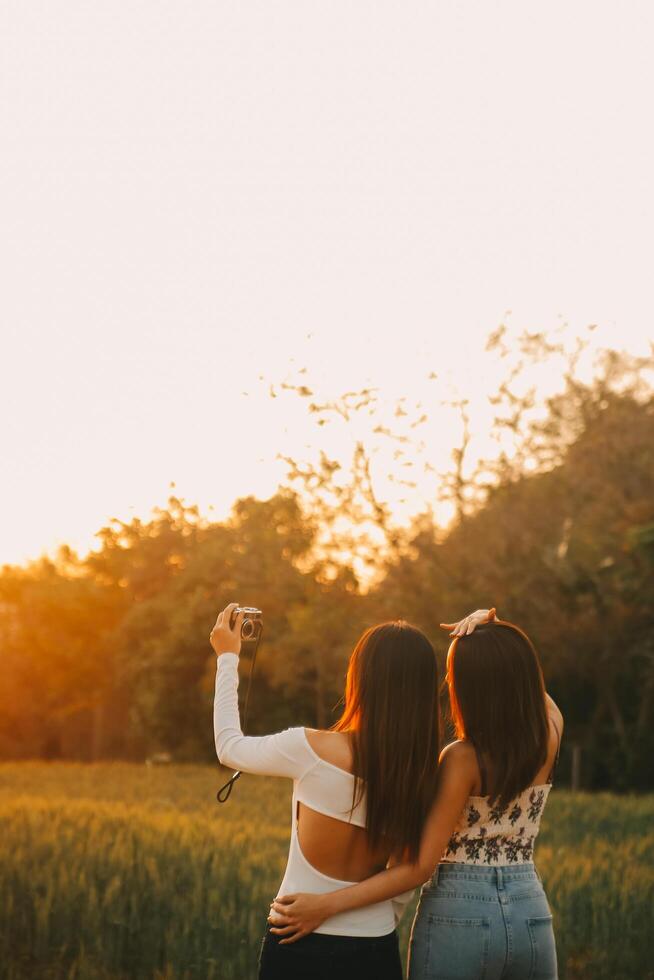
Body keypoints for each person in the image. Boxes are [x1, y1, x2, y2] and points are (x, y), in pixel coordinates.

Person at [269, 609, 563, 980]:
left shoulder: (460, 760)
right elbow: (533, 690)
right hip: (529, 907)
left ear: (468, 689)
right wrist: (497, 629)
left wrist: (326, 905)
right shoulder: (550, 736)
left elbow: (420, 865)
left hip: (462, 910)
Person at [211, 601, 442, 980]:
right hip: (375, 950)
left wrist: (227, 657)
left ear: (360, 679)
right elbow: (410, 870)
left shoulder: (309, 749)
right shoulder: (424, 776)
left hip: (296, 937)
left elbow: (229, 748)